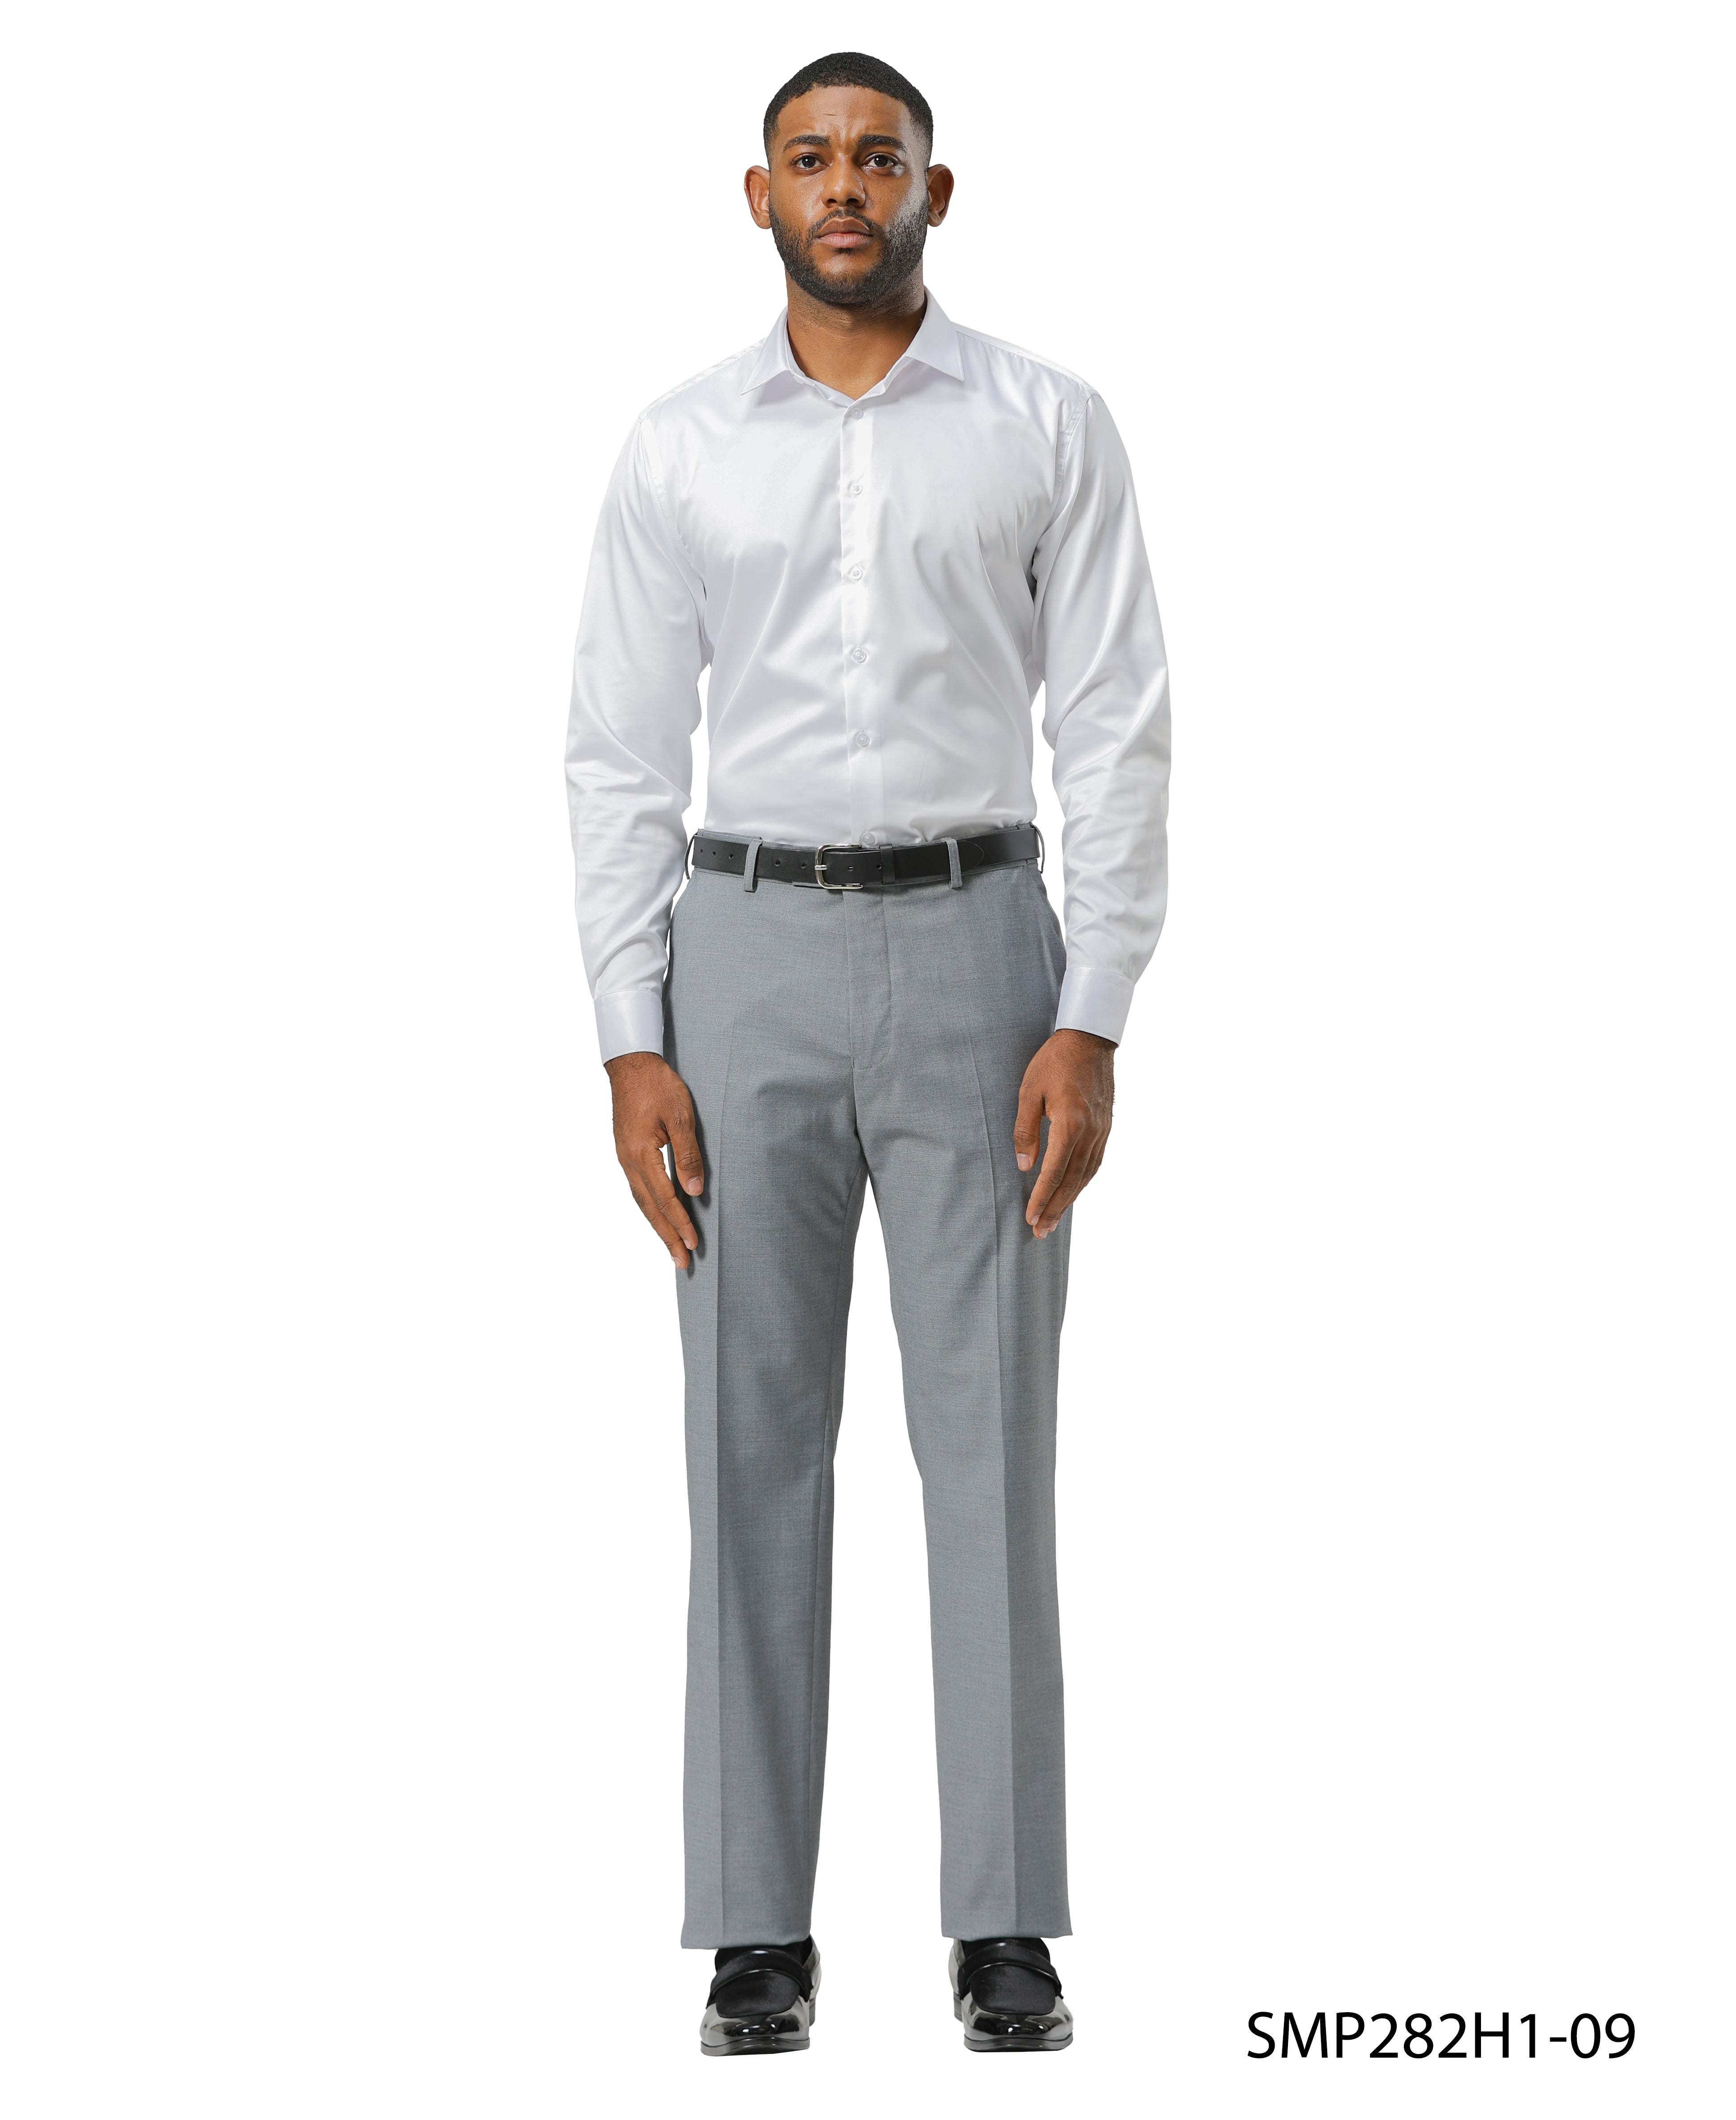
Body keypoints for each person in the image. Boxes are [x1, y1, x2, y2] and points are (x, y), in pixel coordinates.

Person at [564, 50, 1170, 2056]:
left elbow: (1116, 725)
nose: (846, 185)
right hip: (739, 952)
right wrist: (628, 1037)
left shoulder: (1043, 425)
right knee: (746, 1445)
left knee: (991, 1442)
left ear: (935, 190)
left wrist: (1092, 1007)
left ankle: (1001, 1921)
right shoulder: (678, 449)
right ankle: (756, 1925)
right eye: (811, 159)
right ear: (758, 196)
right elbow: (619, 751)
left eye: (879, 158)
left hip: (981, 946)